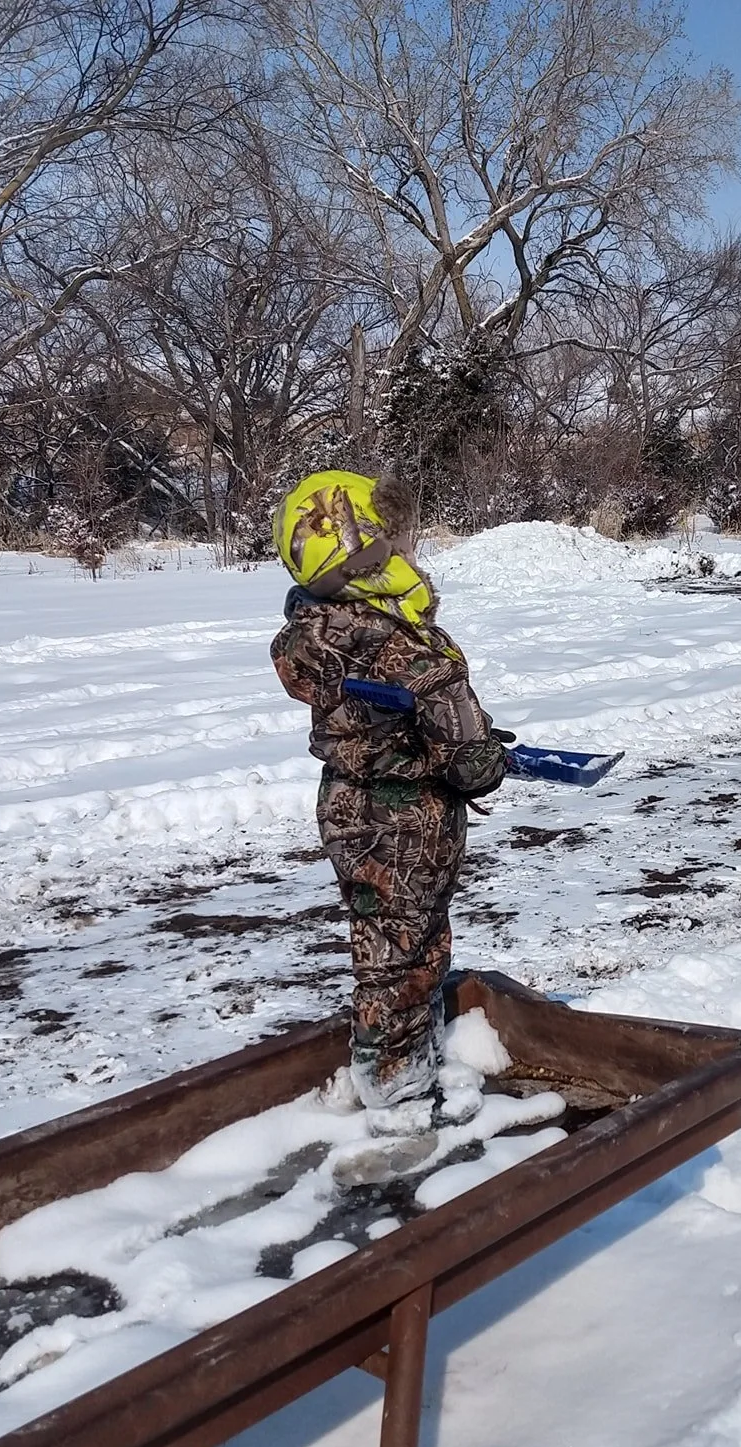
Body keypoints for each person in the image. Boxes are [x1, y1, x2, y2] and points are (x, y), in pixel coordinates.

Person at [269, 469, 511, 1178]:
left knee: (385, 936)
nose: (415, 549)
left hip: (349, 805)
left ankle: (405, 1056)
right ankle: (399, 1095)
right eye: (402, 541)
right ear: (371, 557)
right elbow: (469, 760)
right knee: (404, 953)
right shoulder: (407, 648)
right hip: (410, 820)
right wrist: (485, 756)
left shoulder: (315, 632)